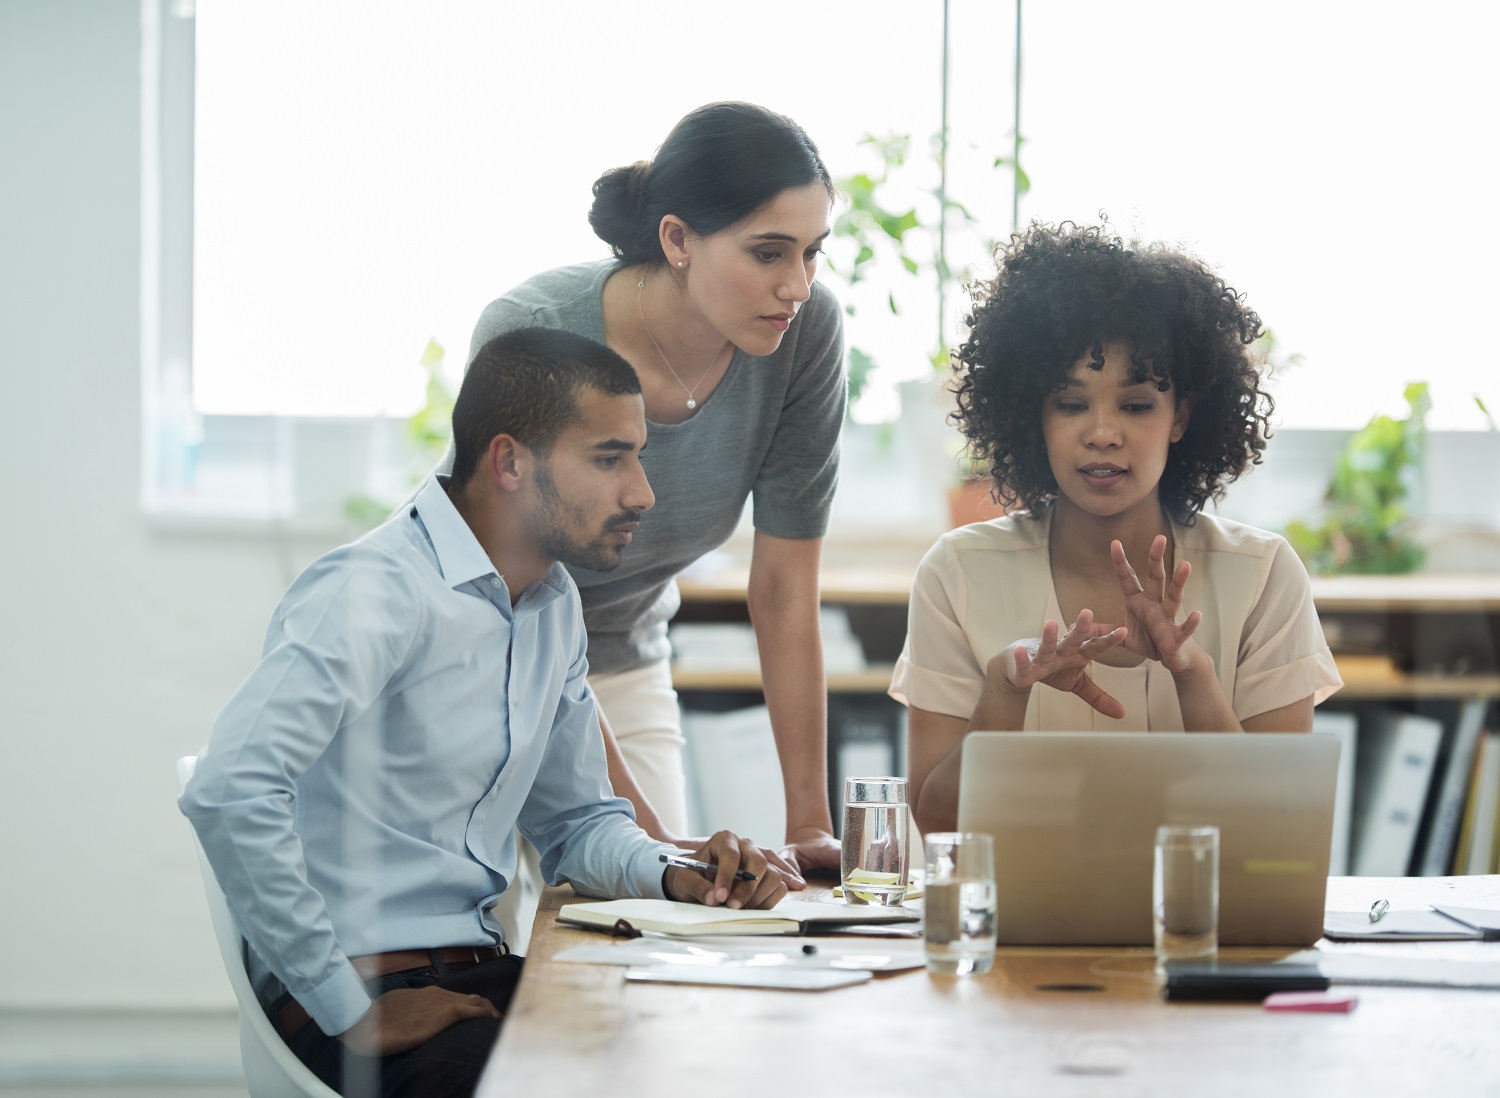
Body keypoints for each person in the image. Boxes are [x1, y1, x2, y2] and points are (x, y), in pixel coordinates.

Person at [180, 327, 786, 1098]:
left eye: (639, 456)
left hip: (482, 978)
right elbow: (230, 789)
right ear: (509, 462)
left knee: (717, 1049)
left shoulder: (551, 602)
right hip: (364, 997)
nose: (642, 492)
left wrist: (679, 876)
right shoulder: (372, 591)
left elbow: (576, 826)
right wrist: (344, 1009)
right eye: (609, 458)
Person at [457, 101, 846, 879]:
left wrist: (811, 823)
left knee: (646, 942)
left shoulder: (802, 337)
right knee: (504, 952)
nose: (797, 284)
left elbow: (783, 589)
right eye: (769, 252)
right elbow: (516, 598)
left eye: (812, 252)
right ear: (677, 240)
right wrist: (643, 838)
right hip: (485, 657)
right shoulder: (535, 331)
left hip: (624, 658)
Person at [891, 221, 1343, 834]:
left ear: (1180, 416)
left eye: (1136, 405)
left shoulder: (1263, 575)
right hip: (1019, 923)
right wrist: (1004, 689)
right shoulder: (958, 573)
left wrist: (1193, 675)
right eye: (1071, 403)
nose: (1102, 432)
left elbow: (1282, 829)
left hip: (1203, 925)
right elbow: (936, 826)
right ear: (1035, 415)